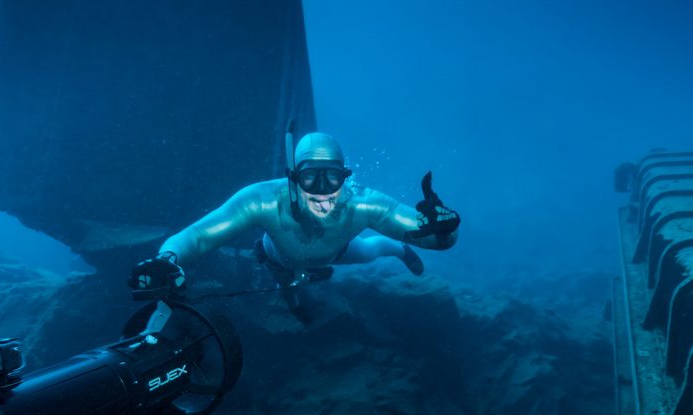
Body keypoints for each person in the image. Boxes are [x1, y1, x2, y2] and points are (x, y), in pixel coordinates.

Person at [128, 131, 460, 320]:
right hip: (278, 260)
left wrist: (444, 228)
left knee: (372, 250)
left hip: (336, 252)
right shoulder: (263, 200)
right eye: (309, 177)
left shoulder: (363, 203)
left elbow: (434, 238)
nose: (322, 190)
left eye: (332, 176)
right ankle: (300, 310)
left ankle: (398, 251)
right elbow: (198, 236)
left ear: (346, 177)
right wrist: (168, 260)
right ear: (292, 178)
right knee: (288, 289)